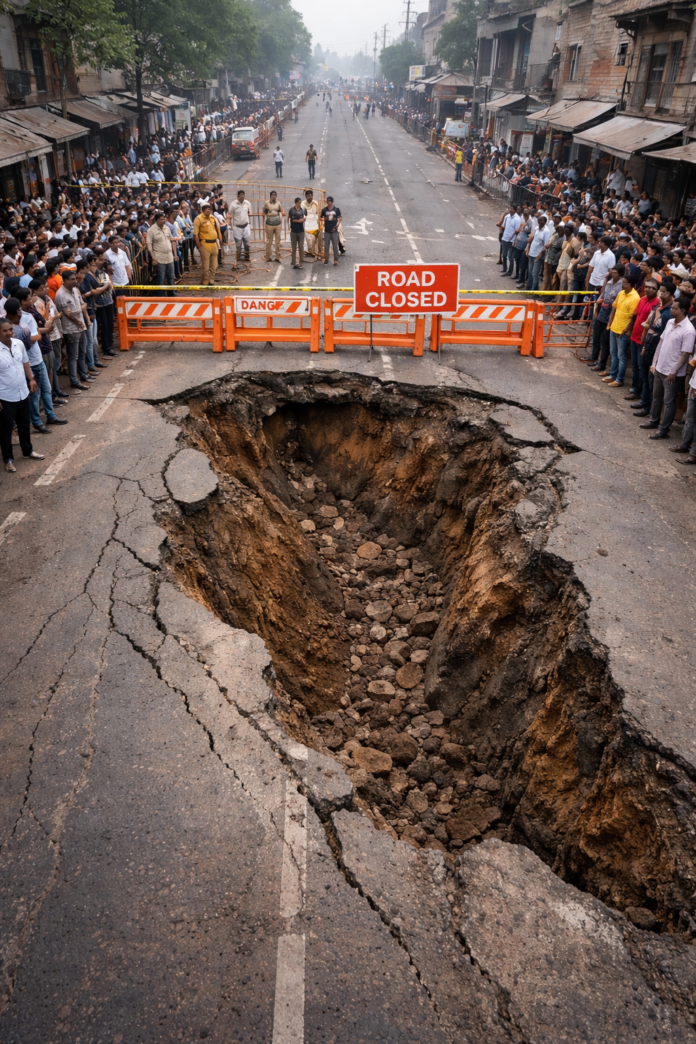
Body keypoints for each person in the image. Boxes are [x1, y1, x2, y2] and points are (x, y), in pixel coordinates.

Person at [640, 296, 695, 438]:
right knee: (656, 395)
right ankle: (653, 420)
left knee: (668, 401)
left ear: (682, 310)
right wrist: (654, 363)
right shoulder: (670, 322)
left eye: (675, 308)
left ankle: (663, 430)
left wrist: (674, 371)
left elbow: (685, 354)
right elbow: (661, 343)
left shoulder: (689, 330)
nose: (671, 310)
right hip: (660, 367)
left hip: (672, 373)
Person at [0, 316, 44, 473]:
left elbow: (25, 362)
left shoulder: (18, 344)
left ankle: (27, 451)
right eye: (5, 330)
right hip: (6, 397)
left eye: (10, 329)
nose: (9, 333)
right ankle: (8, 459)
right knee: (5, 430)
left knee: (24, 424)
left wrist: (31, 379)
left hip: (23, 393)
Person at [55, 271, 90, 389]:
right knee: (73, 356)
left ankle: (83, 375)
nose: (74, 281)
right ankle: (74, 381)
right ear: (64, 280)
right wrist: (80, 312)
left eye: (75, 278)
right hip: (70, 329)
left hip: (81, 325)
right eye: (71, 279)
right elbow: (68, 313)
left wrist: (85, 320)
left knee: (82, 353)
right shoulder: (60, 294)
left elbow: (83, 304)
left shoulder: (76, 290)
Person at [604, 273, 640, 387]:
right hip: (614, 326)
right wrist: (610, 323)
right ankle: (612, 374)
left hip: (623, 331)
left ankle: (620, 379)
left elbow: (633, 318)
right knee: (613, 353)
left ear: (631, 284)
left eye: (625, 283)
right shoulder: (620, 293)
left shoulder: (635, 298)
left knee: (621, 356)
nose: (622, 284)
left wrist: (626, 330)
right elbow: (614, 309)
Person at [146, 211, 176, 295]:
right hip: (159, 258)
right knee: (161, 278)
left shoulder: (167, 228)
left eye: (164, 218)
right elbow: (149, 245)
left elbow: (171, 240)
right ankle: (161, 295)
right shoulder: (151, 230)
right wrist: (153, 258)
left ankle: (171, 293)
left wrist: (174, 254)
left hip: (169, 256)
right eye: (161, 219)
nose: (163, 220)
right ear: (156, 220)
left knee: (171, 277)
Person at [193, 202, 221, 286]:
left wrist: (219, 241)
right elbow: (195, 234)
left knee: (214, 265)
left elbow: (217, 230)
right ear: (202, 210)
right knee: (205, 266)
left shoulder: (213, 218)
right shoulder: (198, 219)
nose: (209, 210)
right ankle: (205, 281)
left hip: (214, 244)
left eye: (210, 208)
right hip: (205, 244)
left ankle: (211, 280)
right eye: (206, 208)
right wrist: (199, 247)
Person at [229, 188, 252, 268]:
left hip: (246, 226)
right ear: (238, 196)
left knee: (247, 243)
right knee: (238, 244)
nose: (242, 197)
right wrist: (229, 224)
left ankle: (247, 256)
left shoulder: (247, 203)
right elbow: (229, 214)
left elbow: (249, 212)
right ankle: (238, 257)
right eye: (240, 196)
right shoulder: (233, 204)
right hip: (237, 227)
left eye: (243, 196)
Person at [263, 190, 284, 263]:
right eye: (272, 196)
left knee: (277, 241)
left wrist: (280, 221)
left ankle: (278, 257)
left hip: (277, 224)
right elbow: (264, 212)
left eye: (274, 196)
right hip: (269, 224)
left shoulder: (278, 203)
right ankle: (268, 256)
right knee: (269, 241)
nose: (273, 197)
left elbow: (280, 212)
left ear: (276, 196)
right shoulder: (267, 203)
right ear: (270, 196)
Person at [321, 196, 342, 266]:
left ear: (332, 202)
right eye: (327, 201)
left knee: (335, 246)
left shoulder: (337, 210)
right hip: (327, 230)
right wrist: (324, 222)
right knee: (326, 246)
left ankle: (335, 259)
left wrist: (337, 225)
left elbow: (340, 218)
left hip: (334, 231)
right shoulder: (324, 210)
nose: (328, 202)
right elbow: (320, 218)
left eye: (329, 201)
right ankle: (326, 259)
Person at [303, 189, 320, 260]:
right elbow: (303, 214)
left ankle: (316, 253)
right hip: (307, 224)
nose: (310, 197)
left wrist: (319, 222)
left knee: (316, 240)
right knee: (309, 239)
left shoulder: (315, 203)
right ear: (306, 197)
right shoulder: (303, 204)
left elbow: (318, 212)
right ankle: (311, 252)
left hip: (315, 223)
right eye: (308, 196)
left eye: (311, 196)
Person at [288, 197, 305, 269]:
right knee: (294, 248)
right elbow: (290, 219)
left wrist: (297, 220)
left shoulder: (302, 210)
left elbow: (304, 219)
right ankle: (294, 262)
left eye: (300, 203)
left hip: (301, 231)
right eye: (299, 203)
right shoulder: (291, 210)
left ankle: (301, 262)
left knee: (301, 247)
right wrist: (289, 227)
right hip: (293, 232)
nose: (300, 204)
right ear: (296, 203)